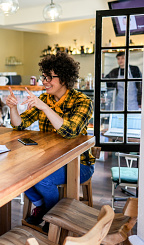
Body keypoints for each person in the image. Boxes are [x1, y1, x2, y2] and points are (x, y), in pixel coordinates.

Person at [6, 52, 94, 227]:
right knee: (16, 172)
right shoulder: (44, 99)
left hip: (78, 164)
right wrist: (13, 108)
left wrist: (45, 107)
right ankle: (43, 207)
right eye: (43, 76)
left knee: (40, 177)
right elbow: (19, 125)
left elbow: (70, 131)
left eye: (49, 77)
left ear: (64, 78)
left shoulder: (82, 101)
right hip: (49, 160)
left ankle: (53, 220)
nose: (44, 81)